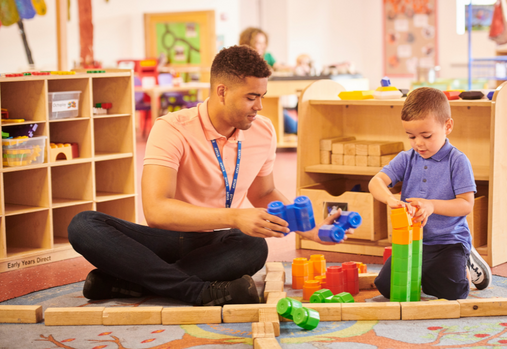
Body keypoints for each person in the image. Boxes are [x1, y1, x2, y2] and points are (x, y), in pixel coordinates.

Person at [68, 45, 349, 307]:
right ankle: (197, 291)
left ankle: (133, 282)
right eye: (251, 97)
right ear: (222, 91)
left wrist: (310, 229)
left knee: (253, 245)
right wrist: (235, 217)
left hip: (218, 245)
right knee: (83, 225)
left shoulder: (263, 130)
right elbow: (156, 211)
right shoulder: (172, 128)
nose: (259, 107)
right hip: (165, 239)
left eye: (261, 96)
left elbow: (263, 194)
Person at [369, 87, 492, 300]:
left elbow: (465, 204)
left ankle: (467, 258)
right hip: (412, 240)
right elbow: (376, 181)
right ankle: (429, 272)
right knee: (387, 288)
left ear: (448, 126)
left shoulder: (457, 161)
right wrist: (390, 199)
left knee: (452, 292)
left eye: (426, 136)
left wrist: (432, 205)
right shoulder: (407, 158)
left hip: (448, 241)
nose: (418, 143)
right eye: (411, 136)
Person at [239, 27, 298, 134]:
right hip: (253, 102)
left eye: (264, 43)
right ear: (248, 43)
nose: (262, 46)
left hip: (269, 97)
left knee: (294, 126)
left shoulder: (267, 56)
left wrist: (295, 67)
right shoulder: (243, 59)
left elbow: (279, 66)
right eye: (258, 43)